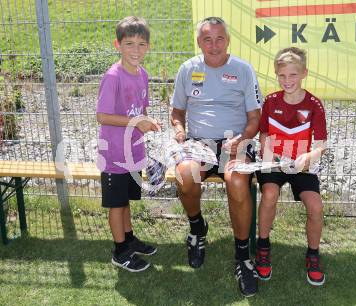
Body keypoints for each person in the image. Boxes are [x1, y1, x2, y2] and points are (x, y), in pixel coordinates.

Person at [170, 17, 262, 297]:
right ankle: (197, 228)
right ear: (199, 42)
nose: (214, 45)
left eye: (219, 38)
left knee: (236, 181)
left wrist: (241, 139)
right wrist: (179, 129)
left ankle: (243, 256)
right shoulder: (187, 69)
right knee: (185, 175)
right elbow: (177, 112)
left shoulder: (243, 70)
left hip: (235, 141)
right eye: (207, 39)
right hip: (198, 142)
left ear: (228, 41)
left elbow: (255, 118)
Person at [255, 47, 328, 286]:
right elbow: (264, 134)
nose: (287, 81)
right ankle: (263, 247)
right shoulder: (271, 101)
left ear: (304, 73)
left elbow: (320, 144)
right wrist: (269, 156)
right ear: (276, 75)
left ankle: (313, 255)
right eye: (282, 75)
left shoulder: (314, 104)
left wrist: (309, 156)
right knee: (269, 194)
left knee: (316, 206)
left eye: (293, 75)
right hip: (275, 163)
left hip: (301, 165)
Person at [96, 16, 161, 272]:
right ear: (118, 45)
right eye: (129, 44)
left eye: (141, 44)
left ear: (148, 46)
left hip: (133, 150)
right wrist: (136, 122)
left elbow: (139, 111)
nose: (136, 50)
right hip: (113, 154)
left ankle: (129, 238)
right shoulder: (113, 76)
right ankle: (120, 251)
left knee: (125, 201)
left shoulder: (142, 73)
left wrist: (148, 121)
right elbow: (102, 116)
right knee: (116, 204)